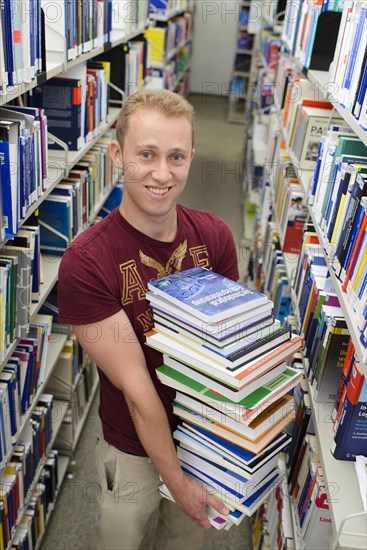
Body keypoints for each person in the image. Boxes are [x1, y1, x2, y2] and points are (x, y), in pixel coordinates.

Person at [58, 89, 240, 550]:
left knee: (183, 542)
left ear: (192, 157)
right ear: (118, 155)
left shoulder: (215, 236)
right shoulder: (87, 262)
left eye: (176, 157)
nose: (162, 173)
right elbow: (138, 391)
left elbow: (230, 343)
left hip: (203, 439)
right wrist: (177, 481)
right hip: (132, 449)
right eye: (146, 155)